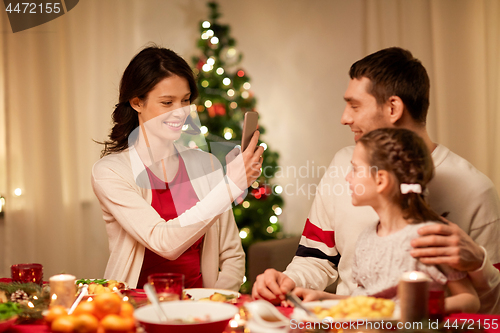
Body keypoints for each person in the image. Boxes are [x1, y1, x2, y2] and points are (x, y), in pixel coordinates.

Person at [252, 47, 500, 313]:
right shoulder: (343, 165)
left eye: (354, 105)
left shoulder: (476, 190)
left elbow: (487, 308)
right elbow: (316, 258)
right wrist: (288, 281)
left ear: (393, 108)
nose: (344, 118)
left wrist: (477, 263)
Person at [92, 46, 264, 290]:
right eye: (167, 102)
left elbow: (233, 257)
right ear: (137, 102)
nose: (180, 113)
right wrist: (230, 186)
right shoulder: (110, 172)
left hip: (199, 309)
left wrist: (212, 302)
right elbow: (163, 242)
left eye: (185, 101)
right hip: (136, 307)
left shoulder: (207, 164)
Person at [293, 128, 480, 313]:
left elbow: (470, 300)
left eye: (355, 169)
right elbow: (366, 303)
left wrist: (424, 309)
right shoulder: (367, 238)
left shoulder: (430, 237)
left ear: (381, 180)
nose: (347, 177)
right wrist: (324, 298)